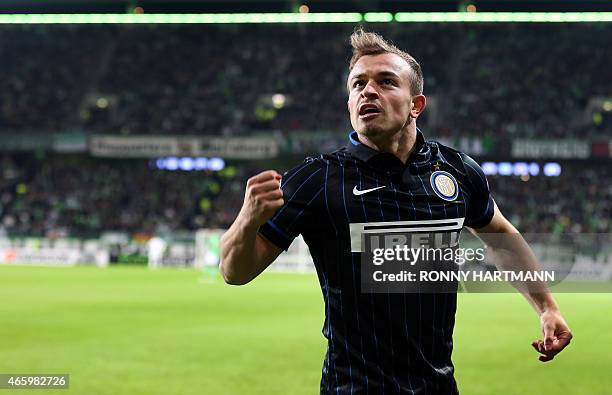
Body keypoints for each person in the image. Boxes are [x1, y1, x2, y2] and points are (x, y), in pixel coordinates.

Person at [219, 27, 572, 394]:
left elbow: (500, 236)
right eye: (358, 85)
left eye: (386, 81)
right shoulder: (316, 180)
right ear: (350, 106)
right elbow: (234, 272)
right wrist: (247, 220)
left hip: (438, 386)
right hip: (353, 388)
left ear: (416, 105)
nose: (368, 91)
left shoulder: (456, 171)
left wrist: (546, 306)